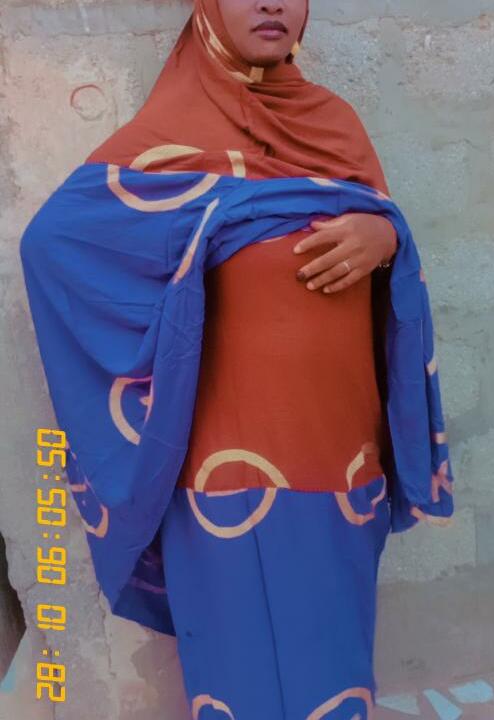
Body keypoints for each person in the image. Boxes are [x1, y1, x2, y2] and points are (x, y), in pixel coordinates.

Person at [19, 1, 454, 718]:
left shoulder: (334, 123)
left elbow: (382, 250)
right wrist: (214, 228)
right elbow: (53, 247)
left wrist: (388, 238)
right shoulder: (167, 136)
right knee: (240, 673)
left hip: (341, 462)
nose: (272, 2)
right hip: (224, 476)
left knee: (333, 662)